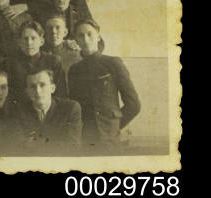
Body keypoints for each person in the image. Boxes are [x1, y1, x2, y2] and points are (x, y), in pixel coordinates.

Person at [68, 19, 141, 147]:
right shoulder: (74, 70)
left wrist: (113, 127)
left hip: (109, 139)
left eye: (90, 34)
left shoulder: (113, 63)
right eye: (81, 35)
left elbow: (134, 105)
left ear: (98, 37)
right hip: (84, 138)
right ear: (76, 40)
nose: (85, 39)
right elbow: (75, 106)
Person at [16, 69, 82, 154]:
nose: (38, 91)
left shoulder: (70, 108)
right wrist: (55, 142)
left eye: (42, 85)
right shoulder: (18, 111)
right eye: (32, 86)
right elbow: (17, 147)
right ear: (27, 91)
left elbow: (72, 146)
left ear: (52, 88)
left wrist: (32, 144)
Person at [7, 21, 67, 101]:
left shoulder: (53, 61)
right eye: (25, 39)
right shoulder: (10, 63)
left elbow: (60, 94)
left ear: (41, 41)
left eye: (33, 38)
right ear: (19, 42)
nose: (29, 43)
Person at [43, 15, 82, 80]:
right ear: (45, 32)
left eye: (57, 27)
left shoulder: (76, 54)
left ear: (65, 32)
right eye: (49, 28)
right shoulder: (38, 52)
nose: (53, 32)